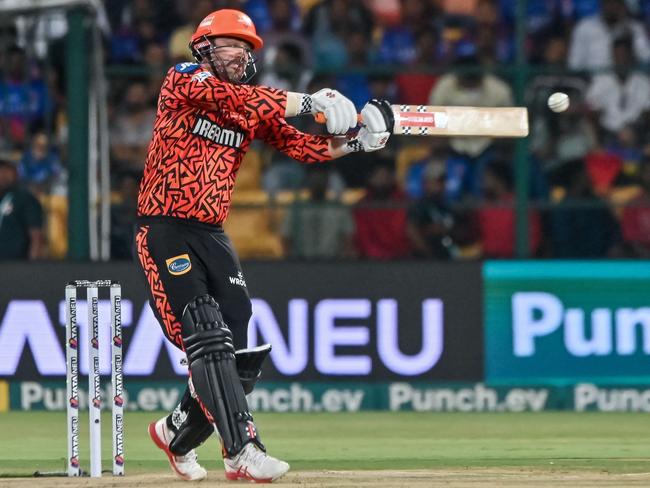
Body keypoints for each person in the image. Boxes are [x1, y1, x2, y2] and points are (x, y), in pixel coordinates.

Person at [134, 8, 393, 483]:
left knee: (235, 346)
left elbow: (303, 147)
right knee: (207, 334)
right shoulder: (183, 77)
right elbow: (229, 95)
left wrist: (358, 140)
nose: (240, 54)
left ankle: (175, 435)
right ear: (205, 48)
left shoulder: (248, 106)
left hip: (211, 233)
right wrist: (312, 101)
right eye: (231, 45)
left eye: (247, 48)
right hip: (165, 227)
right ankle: (242, 452)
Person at [0, 159, 45, 260]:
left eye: (6, 172)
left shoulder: (25, 199)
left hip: (16, 264)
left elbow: (36, 236)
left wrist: (32, 269)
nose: (3, 176)